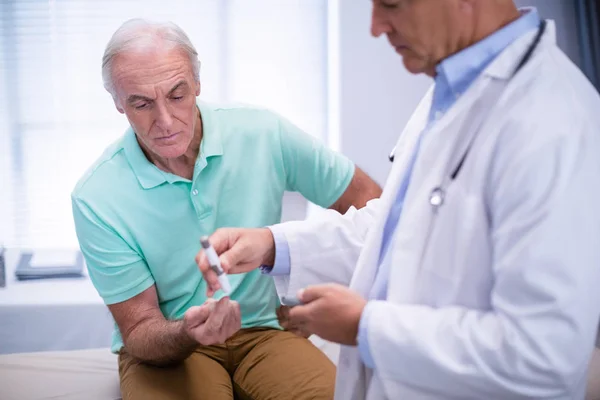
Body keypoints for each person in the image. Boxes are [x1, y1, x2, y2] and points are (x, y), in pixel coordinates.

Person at [197, 1, 600, 399]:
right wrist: (273, 245)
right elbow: (398, 235)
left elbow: (541, 356)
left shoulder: (551, 119)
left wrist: (366, 328)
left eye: (390, 4)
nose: (375, 26)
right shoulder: (449, 90)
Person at [71, 18, 382, 400]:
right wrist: (188, 331)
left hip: (264, 333)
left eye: (177, 94)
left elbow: (372, 204)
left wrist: (320, 291)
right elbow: (139, 331)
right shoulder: (97, 196)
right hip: (169, 349)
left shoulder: (263, 132)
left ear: (198, 84)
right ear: (119, 103)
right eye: (142, 103)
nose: (165, 121)